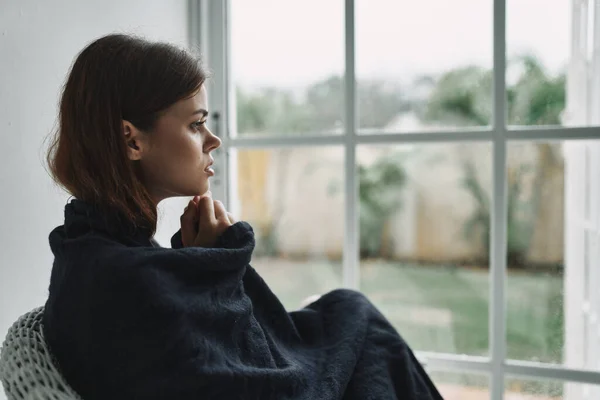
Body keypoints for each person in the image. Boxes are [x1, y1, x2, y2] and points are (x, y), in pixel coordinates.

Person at [43, 34, 443, 400]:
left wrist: (197, 264)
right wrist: (219, 262)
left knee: (346, 311)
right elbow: (263, 384)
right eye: (196, 124)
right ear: (132, 139)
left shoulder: (91, 247)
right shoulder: (121, 276)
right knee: (356, 318)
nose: (213, 140)